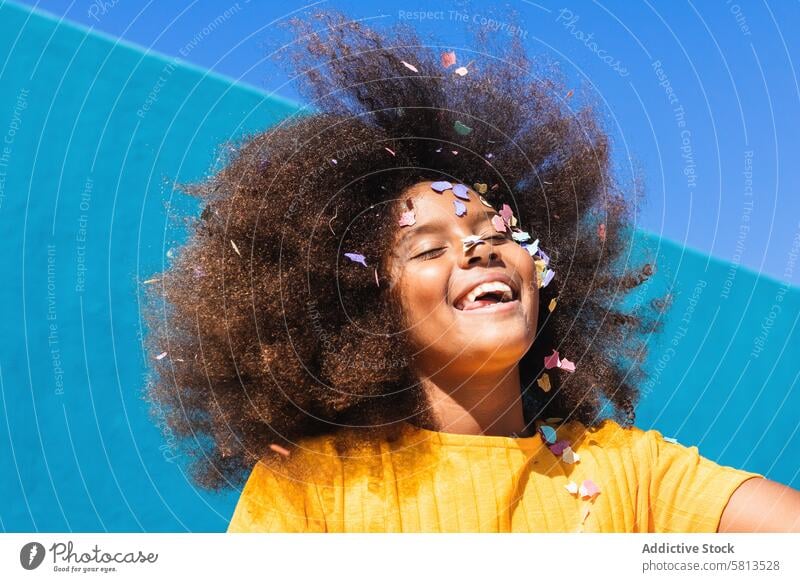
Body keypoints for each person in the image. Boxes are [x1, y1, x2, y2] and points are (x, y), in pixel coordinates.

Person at [143, 11, 800, 533]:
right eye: (429, 250)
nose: (477, 251)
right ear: (371, 313)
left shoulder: (632, 473)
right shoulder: (315, 486)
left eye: (498, 233)